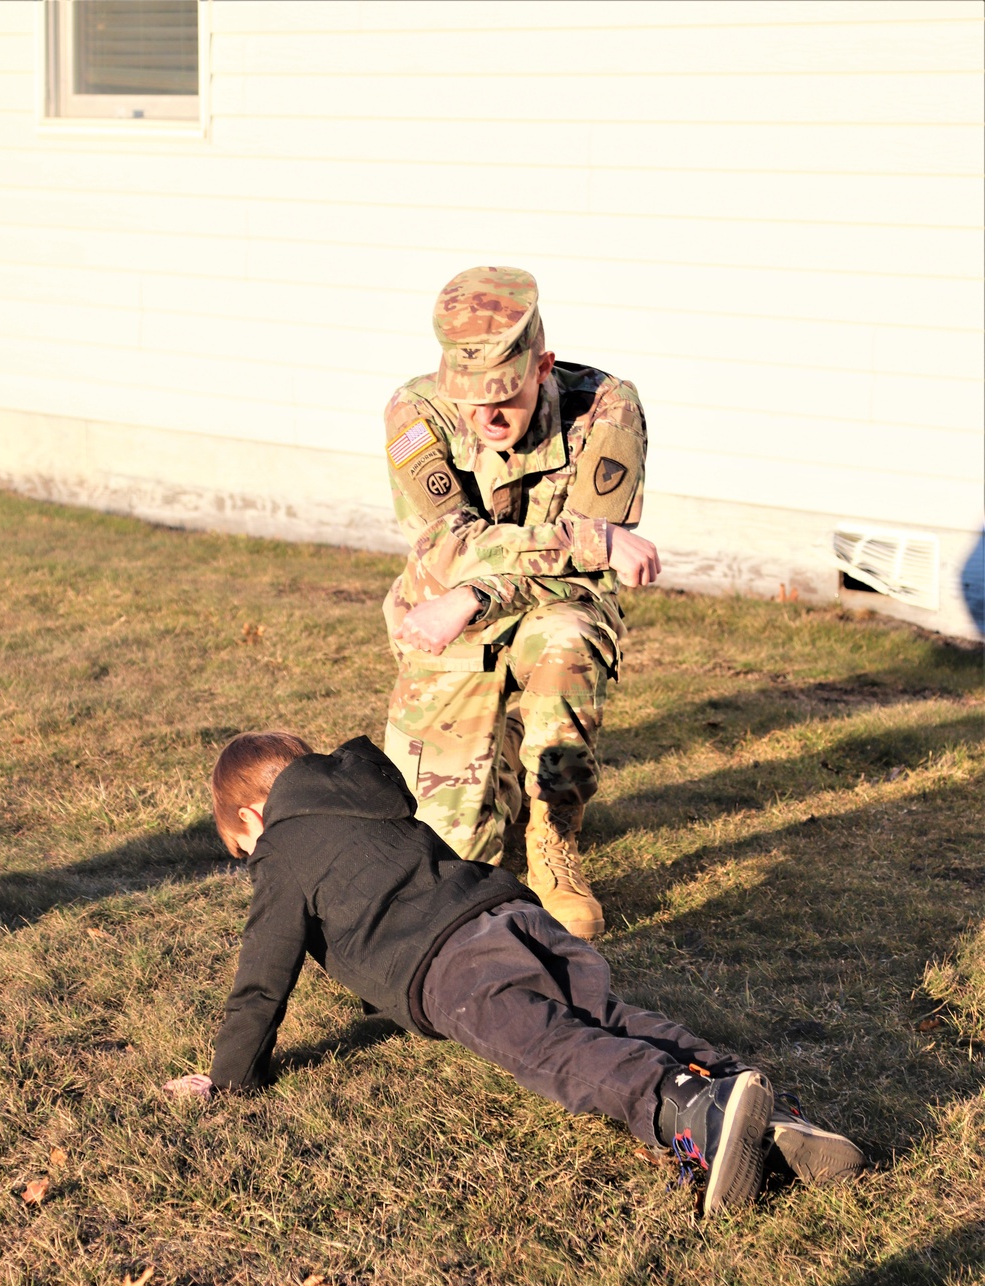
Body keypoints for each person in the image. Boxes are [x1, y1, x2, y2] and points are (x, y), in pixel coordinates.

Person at [164, 732, 865, 1218]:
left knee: (552, 1048)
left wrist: (231, 1080)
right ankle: (752, 1099)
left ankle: (690, 1112)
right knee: (606, 1016)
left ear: (254, 815)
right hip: (513, 916)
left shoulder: (283, 847)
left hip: (451, 968)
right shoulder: (365, 799)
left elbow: (262, 979)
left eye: (242, 849)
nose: (252, 860)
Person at [381, 265, 661, 941]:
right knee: (445, 861)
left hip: (548, 610)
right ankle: (505, 763)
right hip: (449, 623)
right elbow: (451, 550)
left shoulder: (607, 408)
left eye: (505, 396)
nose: (487, 418)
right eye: (471, 401)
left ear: (544, 365)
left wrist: (479, 590)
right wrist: (587, 537)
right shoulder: (415, 411)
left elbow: (580, 583)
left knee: (567, 638)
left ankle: (553, 835)